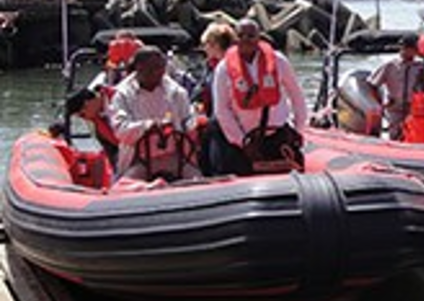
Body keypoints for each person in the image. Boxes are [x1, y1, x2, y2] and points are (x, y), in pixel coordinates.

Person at [213, 18, 308, 175]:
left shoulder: (279, 61)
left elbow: (297, 97)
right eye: (241, 36)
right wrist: (241, 141)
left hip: (277, 136)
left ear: (259, 37)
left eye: (251, 36)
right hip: (245, 140)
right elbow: (222, 110)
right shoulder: (223, 69)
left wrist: (298, 130)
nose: (246, 40)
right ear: (235, 39)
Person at [109, 45, 202, 181]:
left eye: (161, 67)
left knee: (196, 180)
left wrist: (195, 125)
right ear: (139, 68)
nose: (159, 72)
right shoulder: (122, 95)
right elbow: (120, 130)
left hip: (174, 157)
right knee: (124, 186)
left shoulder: (177, 92)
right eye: (153, 68)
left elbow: (187, 121)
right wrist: (148, 126)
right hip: (138, 160)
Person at [367, 32, 424, 141]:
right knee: (395, 136)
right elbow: (372, 84)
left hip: (414, 111)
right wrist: (380, 104)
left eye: (413, 49)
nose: (408, 51)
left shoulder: (420, 67)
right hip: (394, 110)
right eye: (405, 48)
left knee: (413, 138)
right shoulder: (390, 65)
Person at [194, 21, 237, 174]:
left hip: (221, 120)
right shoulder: (211, 66)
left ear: (215, 45)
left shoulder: (224, 67)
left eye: (206, 44)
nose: (204, 48)